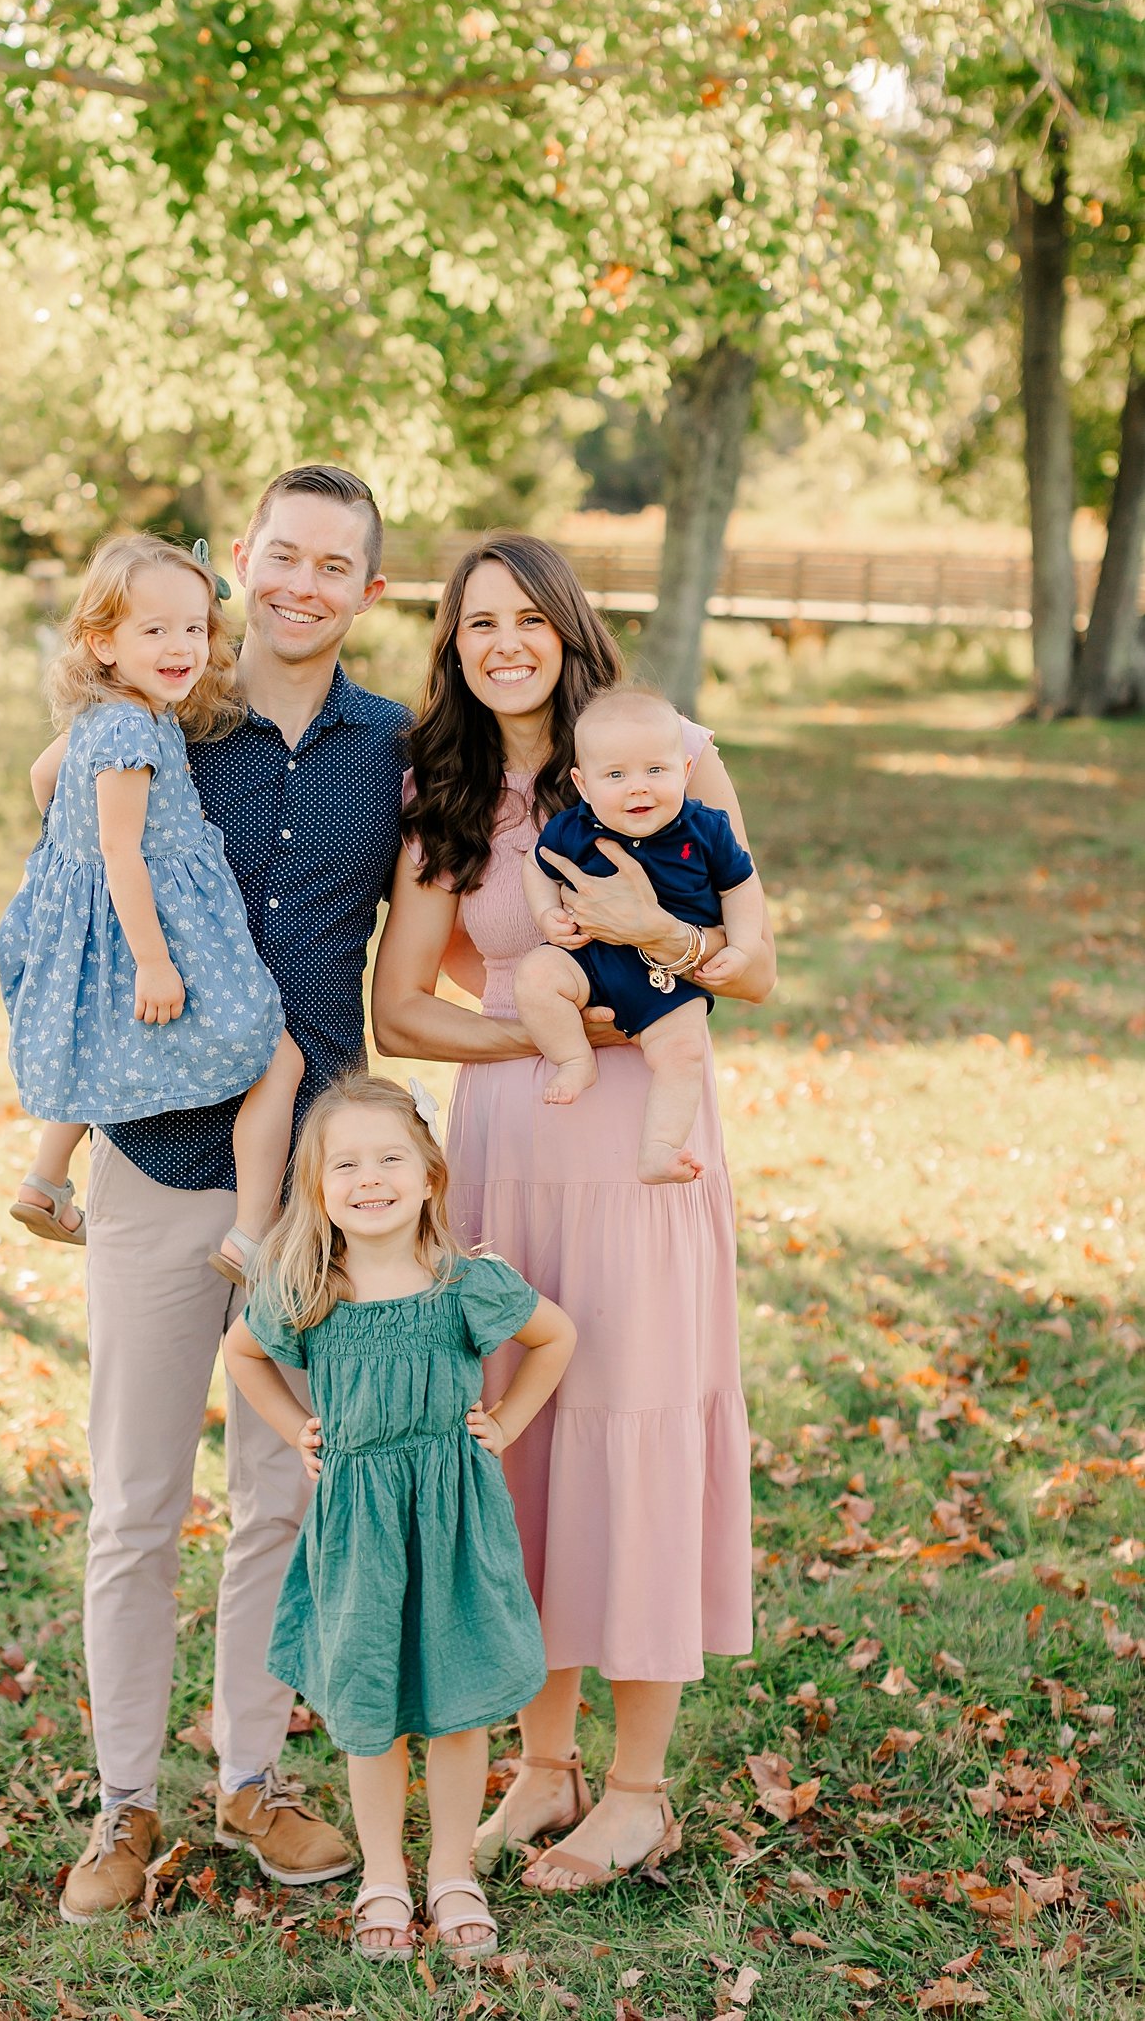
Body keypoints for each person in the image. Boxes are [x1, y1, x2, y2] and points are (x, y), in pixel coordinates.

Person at [372, 532, 775, 1893]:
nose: (503, 642)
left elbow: (759, 963)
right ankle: (542, 1769)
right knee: (523, 1445)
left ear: (566, 626)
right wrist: (546, 1034)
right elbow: (402, 1005)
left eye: (525, 618)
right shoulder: (448, 785)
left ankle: (641, 1786)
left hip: (647, 1142)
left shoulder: (673, 752)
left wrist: (642, 951)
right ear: (453, 641)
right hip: (513, 1135)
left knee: (640, 1422)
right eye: (476, 620)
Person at [52, 467, 412, 1924]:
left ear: (370, 592)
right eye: (284, 555)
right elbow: (70, 853)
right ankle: (122, 1803)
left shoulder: (394, 745)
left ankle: (252, 1770)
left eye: (338, 565)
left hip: (317, 1184)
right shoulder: (154, 721)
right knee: (137, 1502)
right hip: (153, 1153)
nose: (304, 584)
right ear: (242, 562)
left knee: (283, 1492)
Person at [224, 1075, 576, 1963]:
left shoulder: (466, 1283)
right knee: (367, 1704)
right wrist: (294, 1427)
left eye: (390, 1159)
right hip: (358, 1531)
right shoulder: (309, 1286)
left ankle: (453, 1871)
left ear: (428, 1177)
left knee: (458, 1706)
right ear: (317, 1189)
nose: (368, 1178)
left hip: (454, 1521)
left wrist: (508, 1422)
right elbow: (242, 1355)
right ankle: (385, 1873)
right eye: (345, 1164)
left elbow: (555, 1336)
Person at [0, 534, 304, 1286]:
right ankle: (252, 1235)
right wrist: (155, 959)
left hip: (101, 927)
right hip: (154, 930)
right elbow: (123, 851)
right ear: (101, 643)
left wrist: (69, 869)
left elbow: (44, 780)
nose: (182, 645)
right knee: (278, 1054)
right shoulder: (134, 730)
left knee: (94, 1050)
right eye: (155, 630)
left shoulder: (103, 716)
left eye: (195, 627)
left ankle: (44, 1180)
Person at [514, 686, 762, 1182]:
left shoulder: (705, 829)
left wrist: (742, 945)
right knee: (536, 974)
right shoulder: (573, 827)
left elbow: (741, 887)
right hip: (588, 961)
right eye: (616, 775)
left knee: (685, 1054)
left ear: (685, 771)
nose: (639, 788)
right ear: (583, 785)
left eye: (656, 770)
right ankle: (573, 1058)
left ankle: (659, 1148)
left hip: (667, 981)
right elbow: (536, 867)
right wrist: (545, 915)